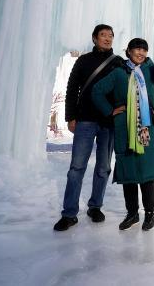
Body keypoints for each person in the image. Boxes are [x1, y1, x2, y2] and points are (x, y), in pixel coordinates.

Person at [92, 37, 154, 231]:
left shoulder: (150, 70)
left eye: (144, 50)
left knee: (147, 172)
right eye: (137, 49)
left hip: (146, 129)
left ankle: (150, 213)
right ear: (129, 51)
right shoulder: (117, 73)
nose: (140, 53)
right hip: (125, 129)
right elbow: (97, 91)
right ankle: (132, 214)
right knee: (129, 173)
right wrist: (110, 110)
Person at [54, 24, 123, 231]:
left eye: (110, 35)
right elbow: (72, 87)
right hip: (84, 120)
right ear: (94, 38)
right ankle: (69, 213)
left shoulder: (118, 62)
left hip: (108, 122)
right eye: (103, 35)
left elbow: (126, 88)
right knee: (76, 168)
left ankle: (95, 206)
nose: (107, 38)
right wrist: (70, 116)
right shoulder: (84, 61)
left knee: (103, 168)